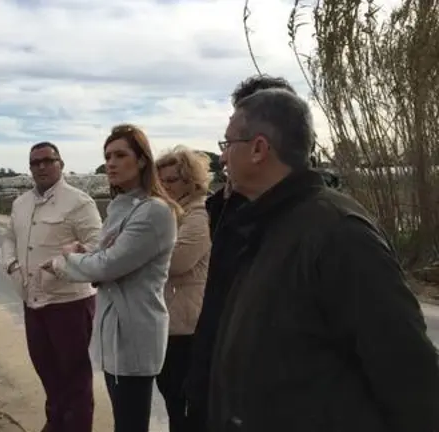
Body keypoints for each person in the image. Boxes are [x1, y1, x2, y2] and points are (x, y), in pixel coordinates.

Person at [207, 87, 439, 431]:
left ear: (258, 149)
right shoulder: (267, 224)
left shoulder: (338, 233)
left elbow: (408, 371)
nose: (223, 158)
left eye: (227, 144)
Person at [41, 124, 181, 432]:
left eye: (120, 155)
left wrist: (67, 260)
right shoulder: (123, 206)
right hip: (114, 328)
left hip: (134, 330)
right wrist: (87, 253)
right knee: (124, 419)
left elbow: (107, 266)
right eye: (107, 156)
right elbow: (105, 257)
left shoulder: (154, 212)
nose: (111, 163)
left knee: (130, 424)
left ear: (141, 160)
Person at [184, 74, 299, 428]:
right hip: (218, 388)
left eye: (232, 139)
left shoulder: (323, 226)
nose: (223, 155)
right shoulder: (225, 208)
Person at [0, 141, 103, 432]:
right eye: (35, 163)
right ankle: (55, 422)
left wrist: (60, 264)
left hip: (68, 302)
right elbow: (9, 237)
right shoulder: (21, 203)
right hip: (32, 300)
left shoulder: (79, 202)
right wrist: (11, 265)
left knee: (75, 376)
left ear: (61, 164)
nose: (42, 167)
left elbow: (97, 246)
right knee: (46, 369)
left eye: (48, 160)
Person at [154, 147, 212, 431]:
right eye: (161, 181)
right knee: (174, 400)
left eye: (172, 180)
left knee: (186, 405)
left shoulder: (199, 214)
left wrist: (139, 251)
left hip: (187, 325)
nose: (165, 187)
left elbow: (177, 261)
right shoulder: (172, 212)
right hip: (171, 321)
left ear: (190, 180)